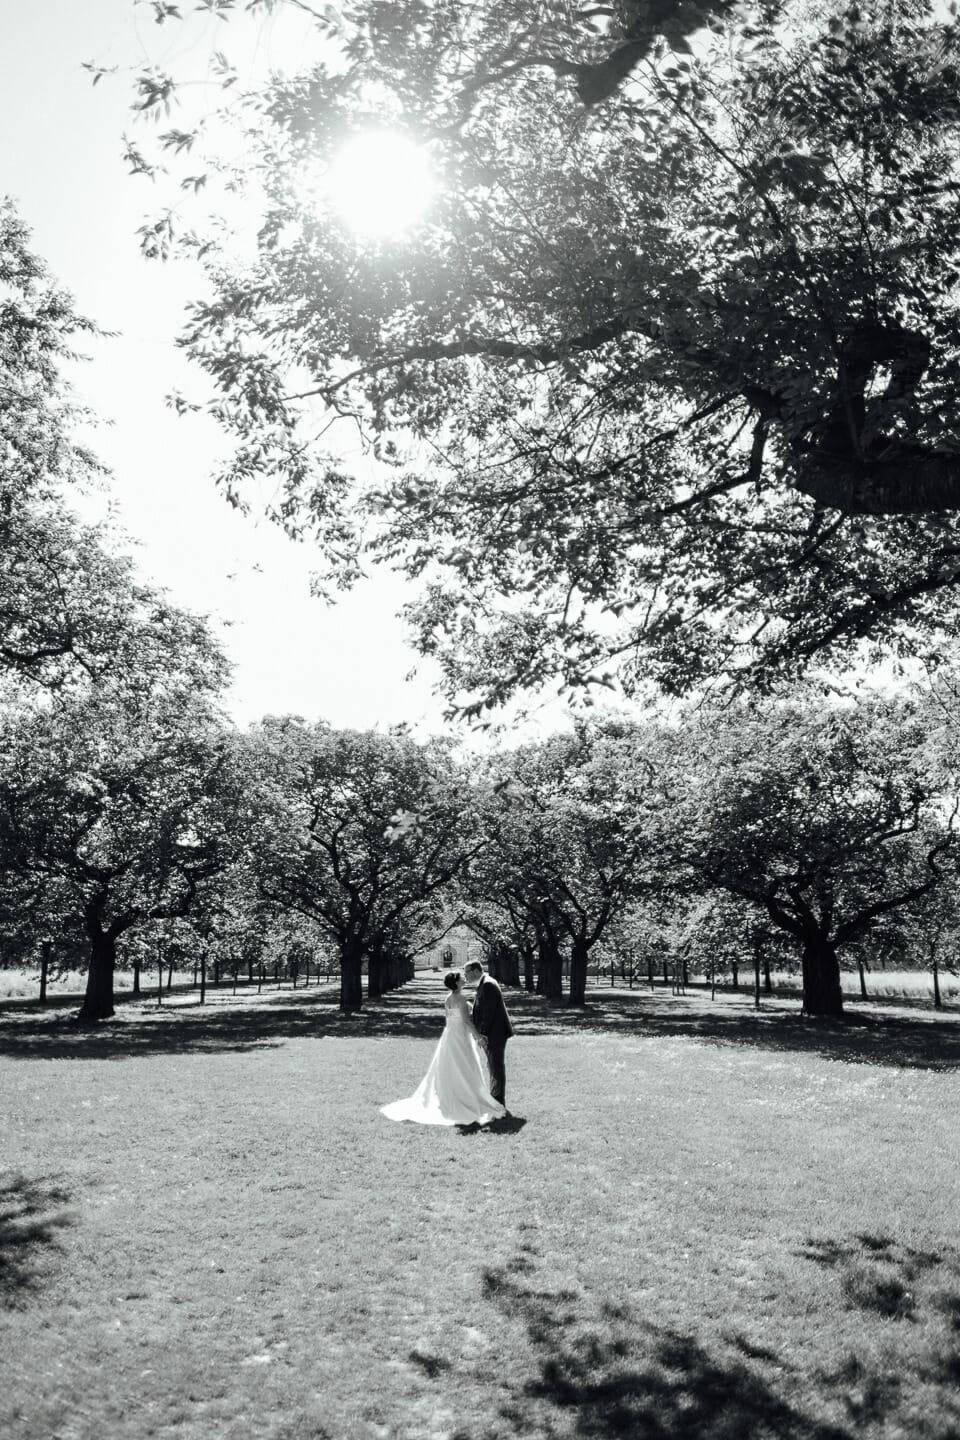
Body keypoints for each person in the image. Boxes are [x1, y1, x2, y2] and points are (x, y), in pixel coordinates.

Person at [380, 971, 506, 1126]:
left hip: (450, 1034)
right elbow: (466, 1021)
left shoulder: (449, 998)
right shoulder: (460, 998)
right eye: (461, 978)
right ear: (457, 983)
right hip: (460, 1035)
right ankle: (465, 1096)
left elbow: (452, 1017)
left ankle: (452, 1094)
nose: (464, 979)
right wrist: (478, 1036)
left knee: (451, 1065)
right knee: (464, 1064)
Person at [464, 959, 514, 1109]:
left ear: (476, 971)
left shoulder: (487, 985)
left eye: (467, 972)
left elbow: (489, 1013)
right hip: (493, 1032)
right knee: (493, 1065)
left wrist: (482, 1034)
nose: (465, 975)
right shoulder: (484, 983)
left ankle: (498, 1102)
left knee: (496, 1066)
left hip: (495, 1033)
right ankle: (495, 1098)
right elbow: (483, 1009)